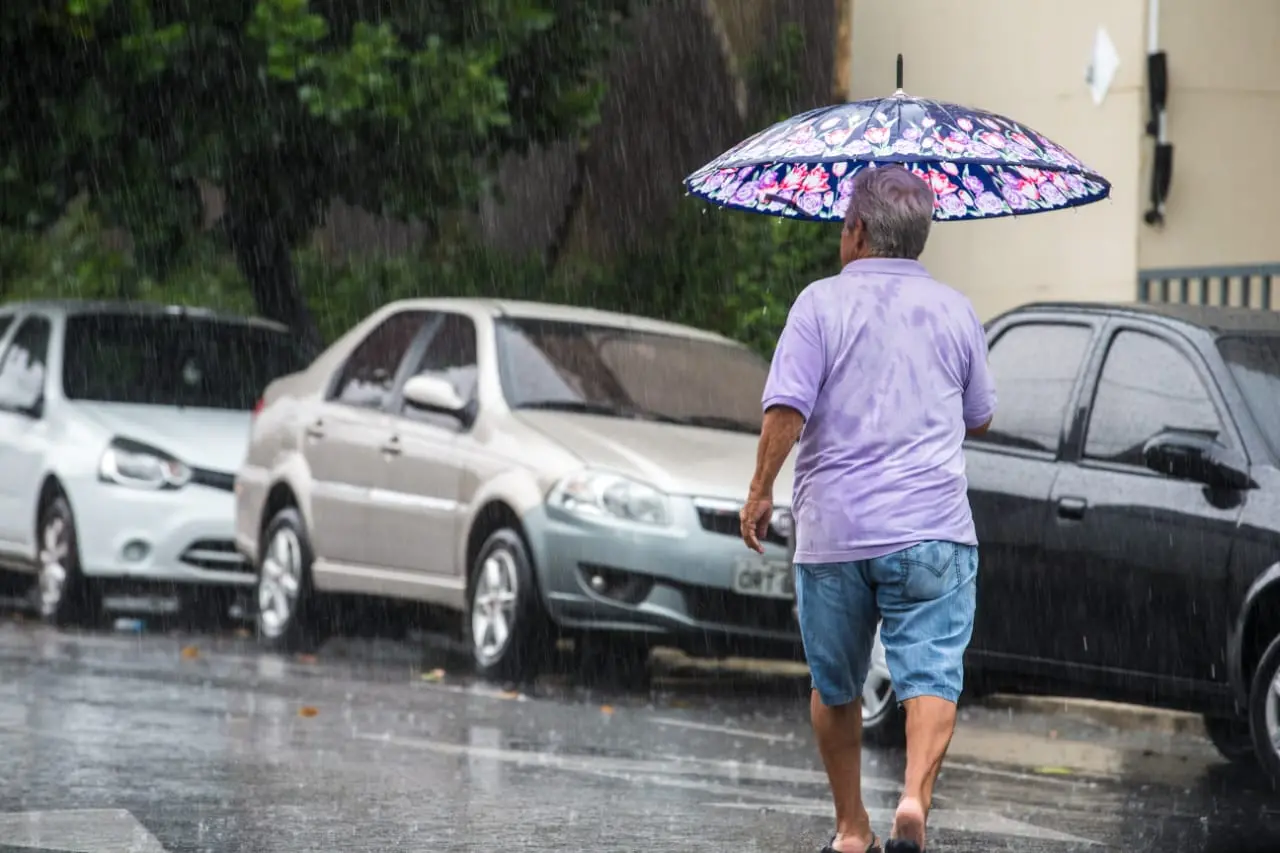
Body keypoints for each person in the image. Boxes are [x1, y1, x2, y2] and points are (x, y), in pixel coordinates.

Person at [740, 165, 997, 853]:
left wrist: (761, 489)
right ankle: (913, 796)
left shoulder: (818, 305)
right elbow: (979, 417)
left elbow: (787, 410)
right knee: (932, 673)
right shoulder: (957, 310)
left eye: (842, 224)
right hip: (932, 528)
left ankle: (853, 827)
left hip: (836, 530)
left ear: (856, 230)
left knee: (836, 683)